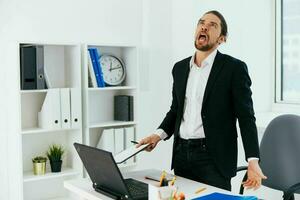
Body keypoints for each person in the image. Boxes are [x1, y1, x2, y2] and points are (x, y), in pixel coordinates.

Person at [137, 10, 267, 191]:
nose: (204, 26)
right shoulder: (180, 68)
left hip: (213, 158)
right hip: (182, 154)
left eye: (212, 25)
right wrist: (157, 135)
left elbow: (246, 117)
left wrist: (253, 160)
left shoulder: (234, 69)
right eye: (201, 22)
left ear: (222, 39)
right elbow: (176, 110)